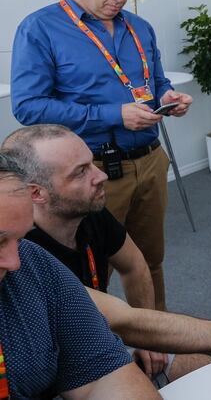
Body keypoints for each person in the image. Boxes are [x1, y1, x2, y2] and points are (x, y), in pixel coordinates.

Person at [2, 124, 211, 383]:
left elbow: (135, 266)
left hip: (100, 338)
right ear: (36, 193)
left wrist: (148, 342)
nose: (101, 176)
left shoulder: (88, 211)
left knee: (201, 364)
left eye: (92, 163)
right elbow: (124, 321)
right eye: (80, 172)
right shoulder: (24, 251)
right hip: (56, 367)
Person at [10, 0, 193, 311]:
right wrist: (113, 114)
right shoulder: (40, 28)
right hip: (90, 170)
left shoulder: (139, 28)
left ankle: (159, 343)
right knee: (94, 272)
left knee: (149, 261)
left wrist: (167, 96)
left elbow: (154, 82)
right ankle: (98, 352)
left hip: (150, 161)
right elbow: (28, 106)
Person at [0, 152, 160, 399]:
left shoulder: (33, 260)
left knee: (196, 364)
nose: (14, 262)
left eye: (18, 239)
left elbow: (103, 374)